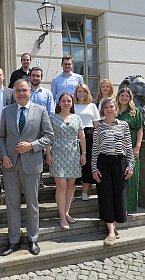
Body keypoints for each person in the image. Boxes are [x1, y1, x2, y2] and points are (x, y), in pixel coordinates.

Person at [0, 79, 53, 256]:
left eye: (24, 90)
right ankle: (13, 240)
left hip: (31, 163)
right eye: (18, 91)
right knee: (12, 203)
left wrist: (32, 145)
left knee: (32, 203)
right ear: (14, 92)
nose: (21, 93)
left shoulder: (41, 110)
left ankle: (32, 239)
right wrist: (4, 156)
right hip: (10, 164)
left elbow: (50, 136)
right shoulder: (7, 111)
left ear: (30, 91)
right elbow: (1, 138)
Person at [91, 97, 134, 247]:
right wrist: (94, 168)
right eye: (106, 107)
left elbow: (129, 147)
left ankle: (114, 224)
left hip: (119, 163)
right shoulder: (99, 127)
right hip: (103, 162)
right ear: (103, 110)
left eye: (112, 107)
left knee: (119, 194)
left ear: (116, 109)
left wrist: (131, 166)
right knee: (106, 194)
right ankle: (110, 230)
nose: (109, 109)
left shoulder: (124, 125)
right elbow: (95, 149)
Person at [45, 93, 86, 230]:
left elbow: (81, 136)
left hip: (73, 154)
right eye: (64, 101)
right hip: (58, 154)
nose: (66, 103)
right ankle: (62, 217)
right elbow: (48, 137)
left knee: (71, 185)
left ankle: (67, 212)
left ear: (72, 103)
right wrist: (48, 153)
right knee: (61, 185)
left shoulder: (77, 118)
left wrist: (84, 153)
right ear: (59, 103)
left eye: (69, 101)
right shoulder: (53, 118)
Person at [116, 87, 144, 213]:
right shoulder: (114, 110)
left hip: (131, 145)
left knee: (131, 177)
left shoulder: (135, 112)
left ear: (130, 98)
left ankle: (129, 207)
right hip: (116, 147)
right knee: (119, 177)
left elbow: (139, 129)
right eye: (122, 95)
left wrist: (137, 147)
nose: (124, 98)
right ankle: (120, 206)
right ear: (118, 97)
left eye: (127, 96)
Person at [73, 84, 100, 201]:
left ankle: (85, 192)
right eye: (79, 91)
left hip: (89, 134)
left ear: (87, 93)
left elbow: (97, 124)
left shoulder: (92, 106)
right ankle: (72, 192)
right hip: (74, 135)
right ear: (76, 93)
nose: (82, 94)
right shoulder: (72, 106)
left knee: (88, 164)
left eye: (84, 91)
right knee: (74, 164)